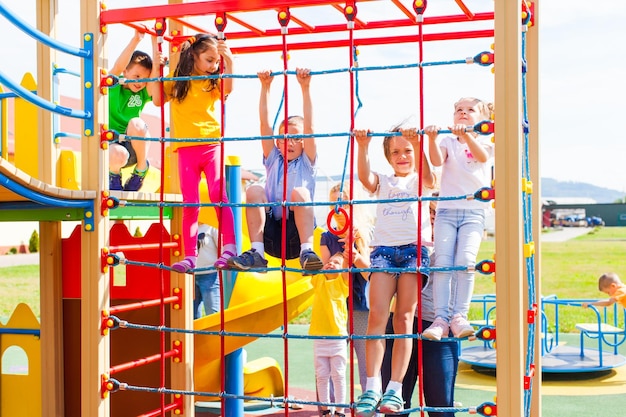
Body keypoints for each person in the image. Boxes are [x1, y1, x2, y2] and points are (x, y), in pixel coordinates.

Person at [353, 126, 436, 417]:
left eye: (408, 151)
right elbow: (365, 177)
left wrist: (419, 143)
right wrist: (363, 146)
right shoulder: (384, 181)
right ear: (388, 157)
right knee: (378, 314)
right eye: (396, 152)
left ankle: (395, 388)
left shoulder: (420, 181)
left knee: (404, 318)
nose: (402, 156)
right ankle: (372, 386)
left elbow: (429, 177)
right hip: (384, 252)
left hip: (414, 251)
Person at [227, 68, 323, 273]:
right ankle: (257, 253)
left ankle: (308, 252)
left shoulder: (307, 161)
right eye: (283, 137)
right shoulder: (273, 159)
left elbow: (311, 128)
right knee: (253, 190)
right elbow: (264, 125)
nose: (289, 142)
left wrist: (305, 88)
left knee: (301, 193)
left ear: (304, 142)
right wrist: (265, 87)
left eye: (296, 137)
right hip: (272, 235)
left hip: (297, 235)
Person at [162, 34, 238, 272]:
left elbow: (229, 88)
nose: (213, 66)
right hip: (185, 148)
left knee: (218, 194)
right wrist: (158, 65)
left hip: (210, 145)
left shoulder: (213, 82)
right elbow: (157, 99)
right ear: (193, 56)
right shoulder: (178, 82)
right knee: (190, 203)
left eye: (216, 61)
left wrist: (230, 61)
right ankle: (189, 256)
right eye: (209, 60)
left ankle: (230, 248)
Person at [422, 97, 495, 341]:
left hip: (473, 211)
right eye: (458, 110)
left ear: (482, 118)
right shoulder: (448, 141)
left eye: (469, 110)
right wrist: (431, 140)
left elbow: (482, 157)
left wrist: (468, 136)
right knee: (442, 263)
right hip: (446, 211)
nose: (462, 113)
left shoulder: (485, 140)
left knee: (466, 261)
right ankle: (441, 319)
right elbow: (435, 161)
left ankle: (459, 316)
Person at [381, 193, 459, 417]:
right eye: (429, 216)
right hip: (404, 322)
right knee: (395, 406)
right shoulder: (407, 241)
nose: (433, 221)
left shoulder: (455, 245)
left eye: (437, 216)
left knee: (441, 406)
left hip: (440, 326)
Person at [320, 183, 373, 392]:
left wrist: (356, 248)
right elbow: (330, 277)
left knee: (367, 362)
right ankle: (330, 407)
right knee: (333, 362)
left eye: (343, 204)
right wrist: (340, 257)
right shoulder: (327, 238)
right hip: (336, 309)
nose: (338, 210)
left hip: (361, 306)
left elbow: (370, 275)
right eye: (334, 205)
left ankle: (370, 406)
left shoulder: (367, 235)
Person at [108, 29, 163, 191]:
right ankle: (114, 175)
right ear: (126, 72)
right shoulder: (114, 87)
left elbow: (153, 80)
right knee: (118, 152)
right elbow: (117, 67)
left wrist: (155, 42)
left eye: (143, 79)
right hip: (114, 149)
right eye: (136, 76)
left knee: (136, 123)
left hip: (135, 148)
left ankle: (140, 170)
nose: (140, 83)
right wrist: (136, 39)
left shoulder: (143, 92)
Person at [310, 252, 350, 417]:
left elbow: (348, 266)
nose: (331, 264)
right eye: (329, 262)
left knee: (339, 375)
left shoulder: (342, 283)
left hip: (337, 338)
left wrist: (348, 248)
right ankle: (325, 409)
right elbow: (314, 265)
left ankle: (340, 410)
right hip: (319, 337)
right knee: (322, 375)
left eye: (336, 263)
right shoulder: (318, 280)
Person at [194, 223, 221, 319]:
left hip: (209, 274)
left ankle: (213, 333)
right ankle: (195, 334)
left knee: (212, 311)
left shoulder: (210, 226)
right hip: (190, 275)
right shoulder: (188, 225)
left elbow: (221, 248)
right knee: (192, 313)